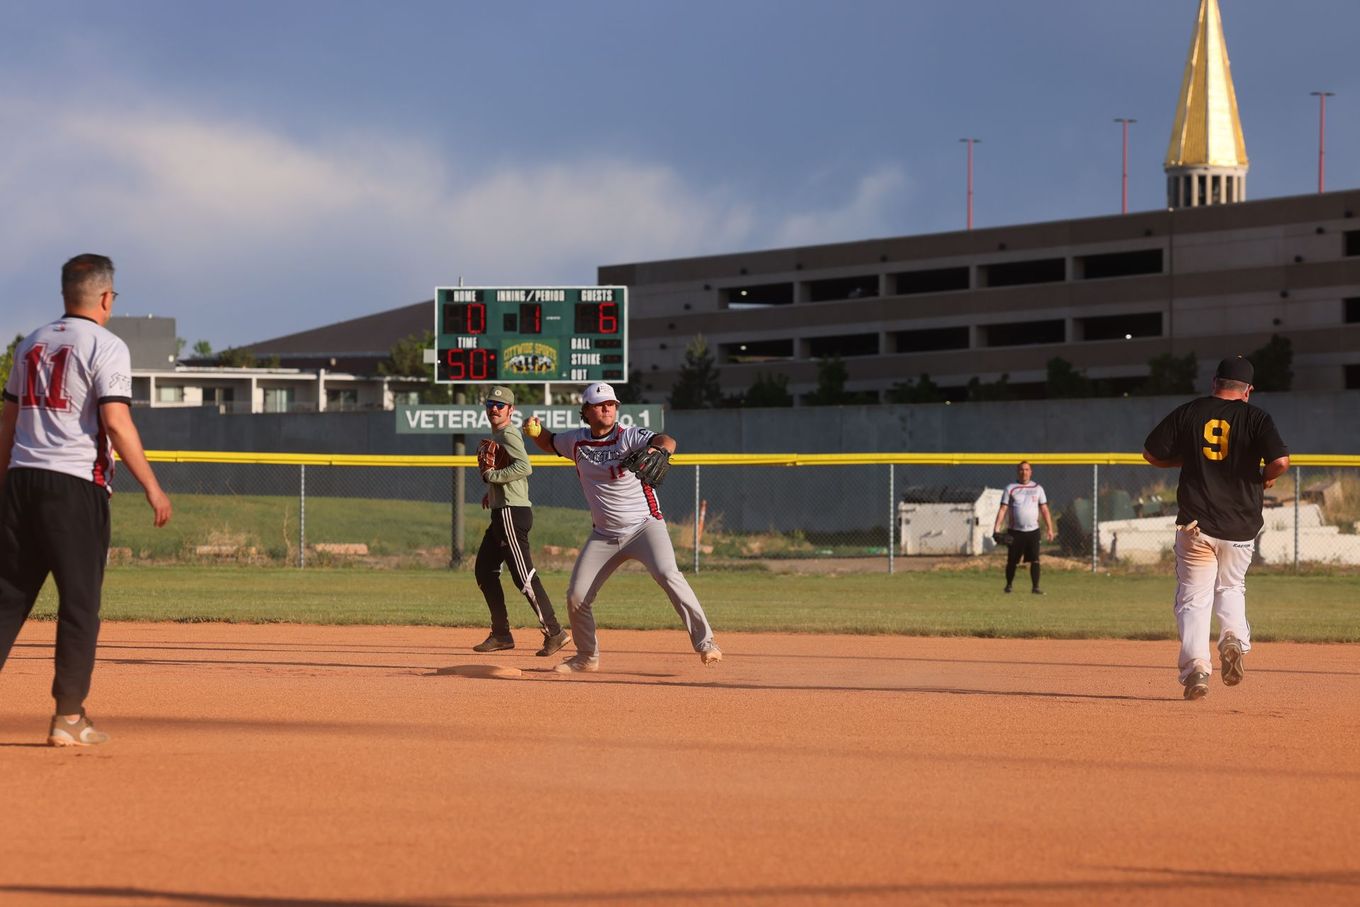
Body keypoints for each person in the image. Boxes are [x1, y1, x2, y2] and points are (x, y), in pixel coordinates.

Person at [0, 254, 172, 746]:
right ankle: (68, 717)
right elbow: (116, 422)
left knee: (7, 599)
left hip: (21, 482)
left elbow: (8, 426)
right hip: (74, 486)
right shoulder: (107, 345)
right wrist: (152, 486)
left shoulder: (30, 342)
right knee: (79, 604)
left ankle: (70, 715)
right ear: (104, 297)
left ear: (64, 295)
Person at [526, 382, 720, 672]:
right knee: (577, 595)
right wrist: (536, 432)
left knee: (669, 574)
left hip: (644, 527)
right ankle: (586, 657)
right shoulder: (576, 442)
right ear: (587, 411)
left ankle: (706, 644)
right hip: (604, 535)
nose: (607, 408)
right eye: (600, 404)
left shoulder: (628, 436)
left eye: (611, 404)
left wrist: (658, 452)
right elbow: (550, 442)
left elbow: (666, 439)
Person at [1143, 356, 1289, 700]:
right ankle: (1234, 639)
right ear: (1248, 391)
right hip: (1240, 526)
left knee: (1193, 597)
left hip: (1196, 522)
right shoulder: (1256, 417)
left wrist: (1187, 459)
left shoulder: (1191, 411)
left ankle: (1196, 668)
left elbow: (1151, 453)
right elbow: (1280, 462)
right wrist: (1263, 477)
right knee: (1231, 587)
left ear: (1215, 383)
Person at [470, 385, 571, 657]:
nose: (494, 408)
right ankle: (501, 634)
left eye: (500, 406)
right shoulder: (499, 434)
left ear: (510, 410)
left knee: (523, 576)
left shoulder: (509, 433)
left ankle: (555, 631)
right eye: (490, 404)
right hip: (502, 510)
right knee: (484, 570)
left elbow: (525, 467)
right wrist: (491, 492)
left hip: (512, 514)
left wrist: (494, 479)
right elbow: (506, 470)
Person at [992, 460, 1055, 595]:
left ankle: (1035, 587)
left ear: (1031, 472)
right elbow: (1003, 509)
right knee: (1012, 560)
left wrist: (1050, 528)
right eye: (1021, 469)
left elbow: (1044, 509)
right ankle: (1009, 585)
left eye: (1027, 469)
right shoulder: (1010, 488)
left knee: (1035, 559)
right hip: (1015, 532)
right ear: (1018, 472)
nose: (1024, 472)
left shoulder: (1038, 488)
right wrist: (996, 528)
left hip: (1033, 531)